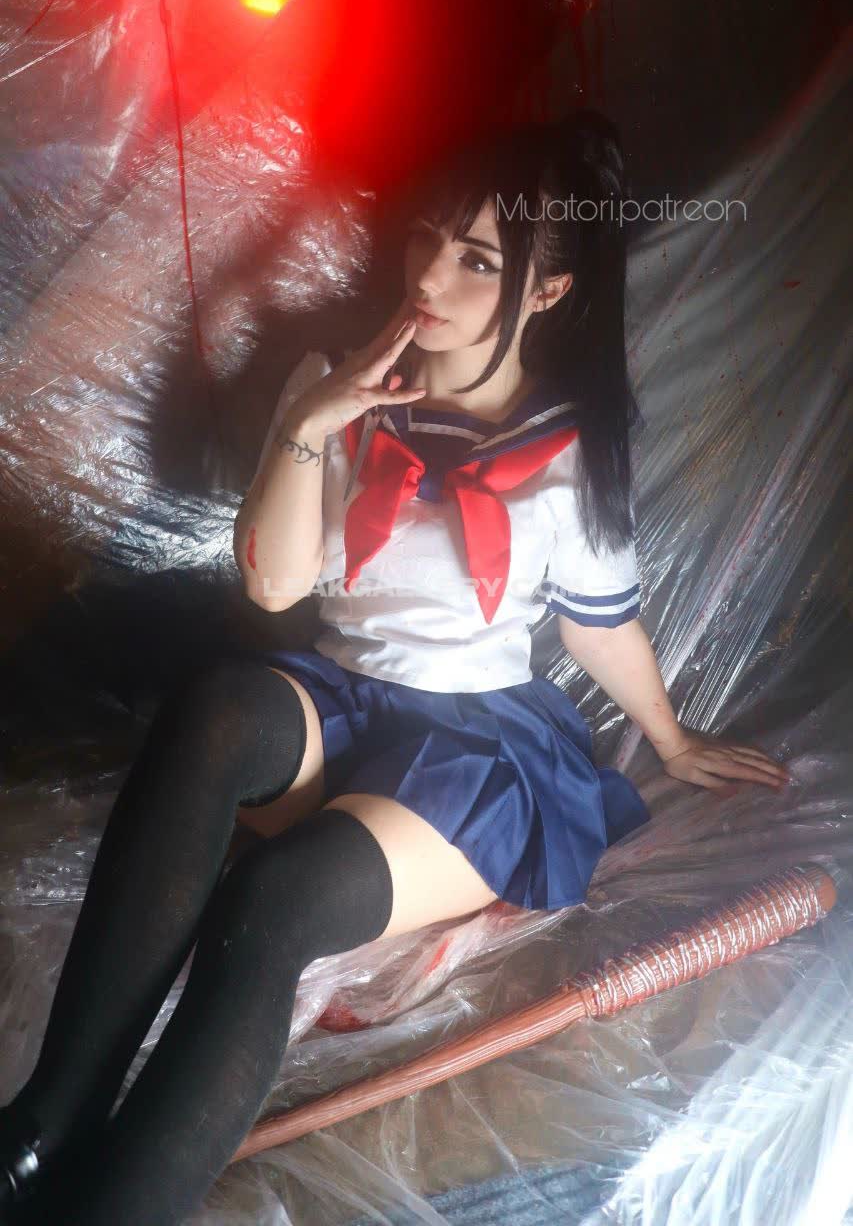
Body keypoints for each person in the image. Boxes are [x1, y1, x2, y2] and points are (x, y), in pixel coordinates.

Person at [0, 110, 790, 1224]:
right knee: (217, 704)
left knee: (273, 898)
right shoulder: (339, 384)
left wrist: (669, 738)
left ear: (548, 293)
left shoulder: (570, 451)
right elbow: (276, 588)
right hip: (342, 698)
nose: (428, 276)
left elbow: (596, 626)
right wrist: (313, 420)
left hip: (477, 744)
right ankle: (45, 1127)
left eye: (478, 260)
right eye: (428, 236)